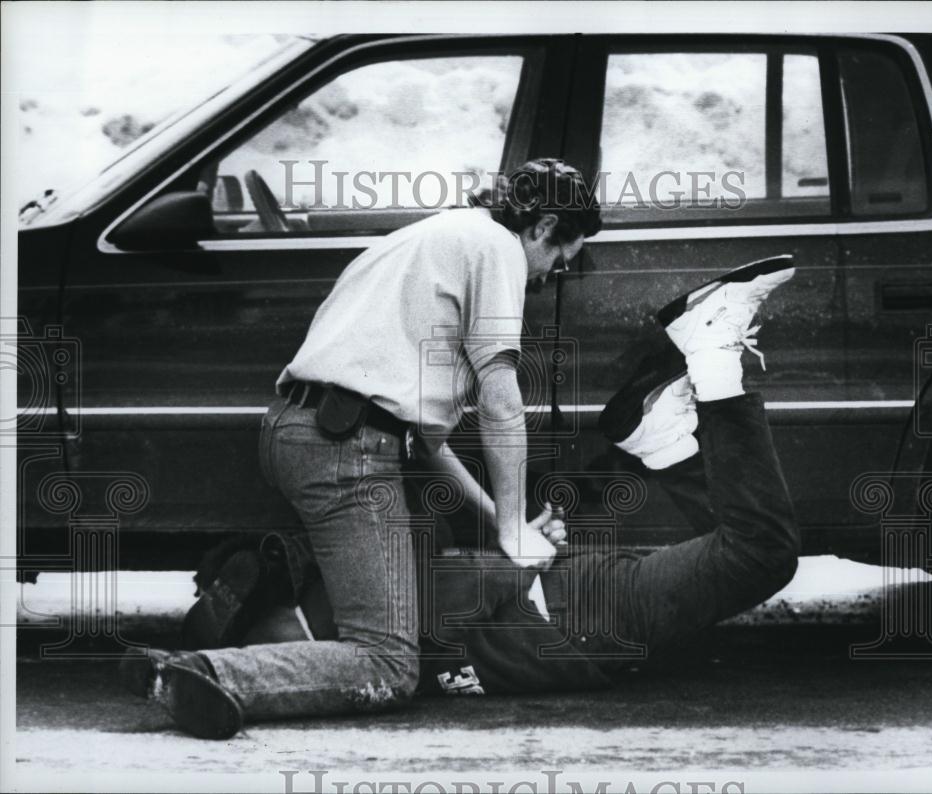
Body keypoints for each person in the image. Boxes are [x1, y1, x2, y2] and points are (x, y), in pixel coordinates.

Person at [122, 256, 800, 735]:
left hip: (569, 617)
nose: (283, 659)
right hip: (567, 622)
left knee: (759, 556)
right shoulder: (366, 591)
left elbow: (452, 581)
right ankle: (666, 445)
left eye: (274, 648)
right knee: (732, 566)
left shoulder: (370, 600)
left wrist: (518, 554)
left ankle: (713, 362)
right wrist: (518, 545)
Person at [119, 159, 601, 739]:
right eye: (557, 260)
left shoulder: (427, 238)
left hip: (301, 432)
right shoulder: (497, 247)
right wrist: (514, 536)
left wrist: (507, 521)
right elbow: (502, 401)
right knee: (388, 661)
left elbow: (429, 447)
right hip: (348, 452)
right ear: (543, 225)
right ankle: (202, 673)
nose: (548, 277)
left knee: (433, 537)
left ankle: (275, 583)